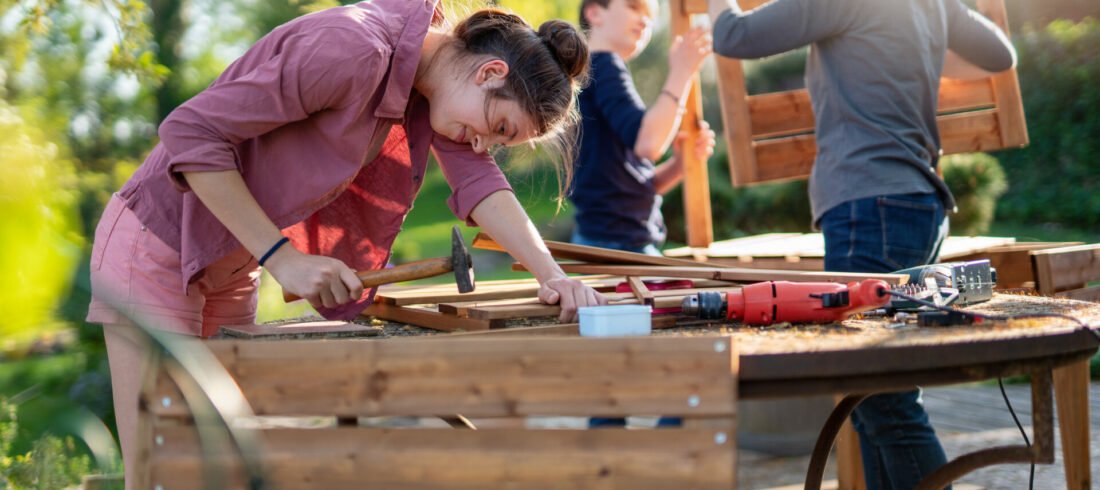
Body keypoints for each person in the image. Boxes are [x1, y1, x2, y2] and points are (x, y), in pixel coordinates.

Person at [86, 2, 607, 486]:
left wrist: (552, 275)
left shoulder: (430, 89)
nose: (483, 144)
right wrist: (281, 257)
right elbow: (191, 133)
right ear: (489, 72)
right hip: (154, 247)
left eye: (499, 142)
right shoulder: (352, 50)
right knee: (162, 471)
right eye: (497, 128)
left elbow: (480, 183)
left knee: (227, 466)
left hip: (230, 260)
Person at [707, 0, 1016, 487]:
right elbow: (1001, 55)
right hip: (916, 206)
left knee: (884, 398)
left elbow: (732, 36)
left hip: (871, 208)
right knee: (872, 401)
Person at [570, 0, 716, 257]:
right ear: (594, 13)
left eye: (650, 16)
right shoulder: (603, 65)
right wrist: (682, 71)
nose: (645, 20)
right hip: (616, 247)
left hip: (609, 240)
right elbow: (647, 142)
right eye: (634, 7)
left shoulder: (595, 74)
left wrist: (680, 165)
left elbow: (628, 184)